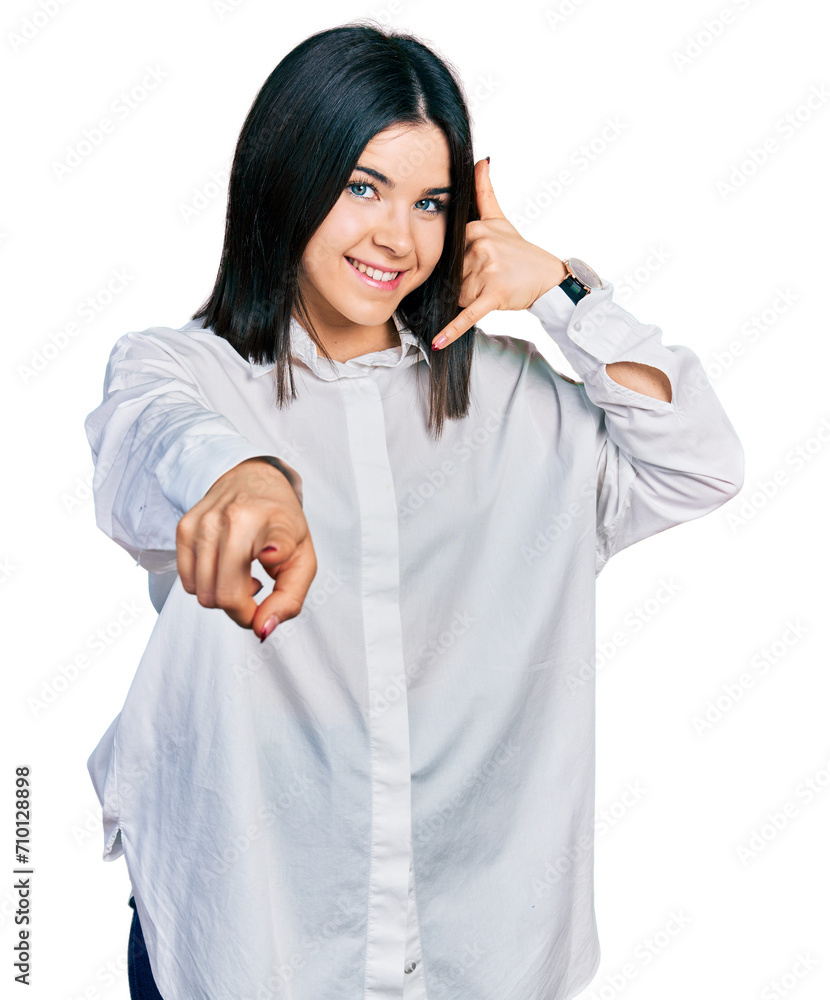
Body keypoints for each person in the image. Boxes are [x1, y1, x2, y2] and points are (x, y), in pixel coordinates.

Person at [84, 20, 744, 1000]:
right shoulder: (183, 371)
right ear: (287, 176)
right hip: (247, 935)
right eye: (361, 187)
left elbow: (698, 462)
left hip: (464, 946)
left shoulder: (517, 402)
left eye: (428, 202)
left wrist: (561, 292)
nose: (397, 236)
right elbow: (153, 444)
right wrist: (243, 478)